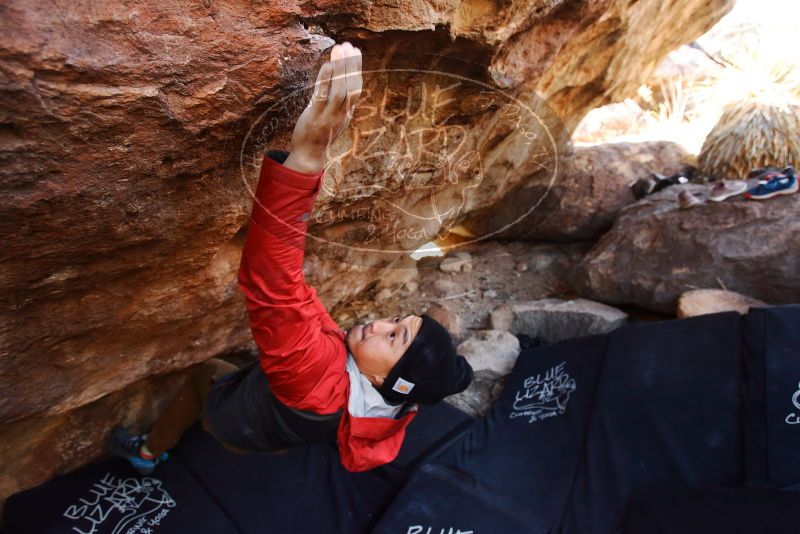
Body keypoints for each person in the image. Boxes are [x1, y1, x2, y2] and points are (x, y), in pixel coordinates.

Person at [109, 41, 473, 474]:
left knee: (207, 375)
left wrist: (305, 160)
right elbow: (297, 300)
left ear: (382, 380)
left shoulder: (317, 378)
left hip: (238, 422)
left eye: (394, 338)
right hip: (281, 428)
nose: (380, 323)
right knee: (260, 385)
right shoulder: (387, 403)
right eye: (398, 321)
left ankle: (147, 453)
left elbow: (275, 284)